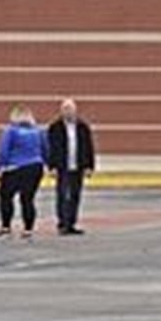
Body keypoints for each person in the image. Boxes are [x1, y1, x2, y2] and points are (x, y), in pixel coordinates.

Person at [0, 104, 47, 239]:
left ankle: (6, 226)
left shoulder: (10, 131)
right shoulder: (38, 131)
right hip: (35, 167)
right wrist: (47, 164)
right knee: (28, 199)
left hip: (15, 167)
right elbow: (45, 149)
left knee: (6, 197)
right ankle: (28, 229)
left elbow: (3, 151)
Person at [46, 98, 97, 235]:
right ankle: (62, 223)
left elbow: (88, 147)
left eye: (70, 109)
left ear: (75, 110)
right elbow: (51, 149)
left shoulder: (82, 127)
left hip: (78, 166)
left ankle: (71, 223)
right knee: (62, 194)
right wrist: (51, 167)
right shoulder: (55, 127)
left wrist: (89, 166)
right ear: (61, 111)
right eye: (65, 109)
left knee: (75, 195)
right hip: (62, 166)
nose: (68, 112)